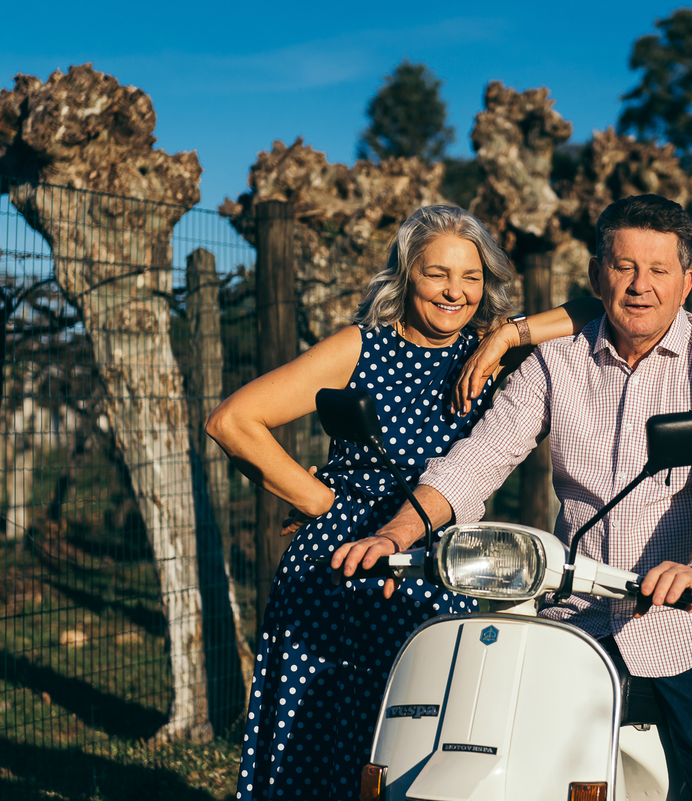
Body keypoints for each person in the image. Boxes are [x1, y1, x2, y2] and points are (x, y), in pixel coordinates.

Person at [334, 194, 692, 801]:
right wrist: (396, 532)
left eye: (659, 270)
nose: (640, 286)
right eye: (624, 267)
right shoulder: (555, 361)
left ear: (686, 282)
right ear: (596, 276)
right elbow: (480, 457)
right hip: (577, 621)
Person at [208, 205, 531, 800]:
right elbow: (233, 420)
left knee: (425, 742)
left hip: (445, 564)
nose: (455, 292)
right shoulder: (360, 347)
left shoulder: (494, 352)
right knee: (319, 731)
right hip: (345, 563)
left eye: (471, 276)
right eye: (437, 274)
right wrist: (317, 499)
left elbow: (600, 310)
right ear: (405, 275)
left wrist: (510, 333)